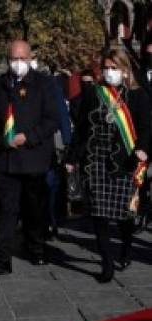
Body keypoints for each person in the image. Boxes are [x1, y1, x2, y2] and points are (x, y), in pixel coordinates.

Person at [66, 48, 151, 282]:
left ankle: (125, 249)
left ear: (125, 70)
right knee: (99, 215)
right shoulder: (95, 93)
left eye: (114, 67)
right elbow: (82, 128)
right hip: (96, 162)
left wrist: (143, 149)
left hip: (125, 162)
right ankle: (107, 264)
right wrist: (71, 157)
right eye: (106, 67)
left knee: (124, 215)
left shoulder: (138, 96)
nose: (109, 72)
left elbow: (146, 128)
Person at [0, 40, 59, 274]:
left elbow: (51, 120)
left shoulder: (44, 84)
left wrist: (30, 137)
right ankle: (2, 259)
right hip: (6, 159)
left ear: (30, 58)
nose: (18, 63)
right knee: (7, 210)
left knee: (34, 209)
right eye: (13, 59)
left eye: (22, 58)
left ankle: (36, 249)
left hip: (33, 157)